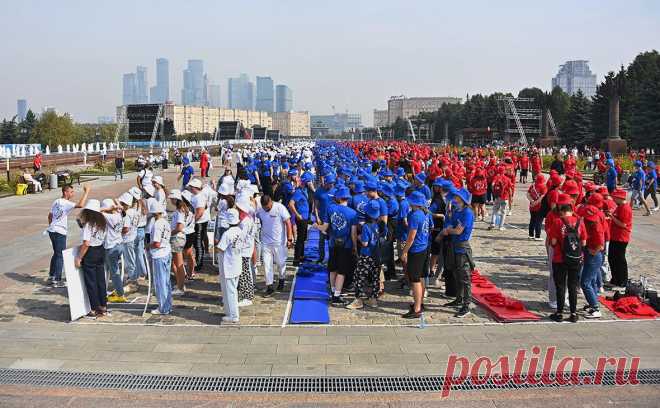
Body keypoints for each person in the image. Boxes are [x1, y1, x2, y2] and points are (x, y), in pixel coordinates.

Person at [548, 194, 587, 323]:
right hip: (576, 259)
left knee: (560, 286)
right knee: (572, 286)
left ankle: (559, 313)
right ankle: (573, 313)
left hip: (560, 258)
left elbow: (553, 242)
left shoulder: (558, 222)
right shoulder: (580, 222)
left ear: (561, 211)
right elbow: (584, 243)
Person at [319, 187, 358, 306]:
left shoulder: (331, 208)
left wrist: (316, 226)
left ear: (338, 198)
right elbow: (353, 233)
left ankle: (332, 291)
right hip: (346, 245)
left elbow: (325, 227)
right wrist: (355, 247)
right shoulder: (352, 213)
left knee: (332, 268)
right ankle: (337, 295)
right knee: (342, 271)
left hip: (332, 243)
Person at [46, 184, 90, 287]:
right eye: (71, 192)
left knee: (56, 253)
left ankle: (51, 276)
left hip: (52, 230)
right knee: (60, 254)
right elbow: (81, 205)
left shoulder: (56, 201)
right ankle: (57, 279)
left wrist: (52, 226)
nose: (72, 194)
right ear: (65, 192)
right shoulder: (65, 203)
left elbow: (50, 216)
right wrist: (86, 192)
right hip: (60, 231)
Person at [441, 188, 475, 318]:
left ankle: (466, 305)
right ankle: (459, 298)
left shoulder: (467, 212)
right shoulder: (456, 210)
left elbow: (459, 230)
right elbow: (450, 222)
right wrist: (449, 226)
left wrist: (449, 231)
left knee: (465, 277)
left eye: (457, 196)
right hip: (454, 245)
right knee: (456, 273)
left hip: (462, 246)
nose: (454, 198)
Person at [74, 199, 108, 318]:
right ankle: (103, 306)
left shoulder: (89, 224)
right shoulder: (102, 222)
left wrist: (79, 257)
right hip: (100, 250)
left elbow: (86, 243)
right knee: (100, 280)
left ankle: (94, 308)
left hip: (91, 252)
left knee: (91, 282)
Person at [401, 191, 431, 319]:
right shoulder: (425, 213)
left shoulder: (414, 215)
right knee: (422, 277)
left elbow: (411, 237)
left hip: (416, 249)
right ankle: (420, 303)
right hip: (424, 247)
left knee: (415, 279)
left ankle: (417, 308)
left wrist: (404, 251)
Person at [256, 194, 293, 296]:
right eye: (264, 208)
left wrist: (289, 239)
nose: (266, 209)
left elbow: (288, 223)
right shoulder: (260, 209)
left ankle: (281, 278)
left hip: (279, 242)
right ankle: (270, 286)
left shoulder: (280, 208)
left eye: (268, 207)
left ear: (271, 202)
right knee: (267, 265)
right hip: (265, 242)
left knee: (280, 263)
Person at [348, 200, 380, 309]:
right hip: (376, 255)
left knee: (359, 277)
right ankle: (373, 300)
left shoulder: (366, 226)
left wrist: (359, 237)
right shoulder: (379, 224)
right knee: (374, 278)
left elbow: (365, 243)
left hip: (366, 255)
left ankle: (358, 300)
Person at [578, 204, 605, 319]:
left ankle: (595, 308)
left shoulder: (596, 227)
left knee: (585, 282)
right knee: (591, 282)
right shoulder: (588, 223)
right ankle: (593, 303)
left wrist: (592, 251)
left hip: (594, 256)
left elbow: (601, 245)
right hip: (591, 255)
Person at [217, 208, 242, 324]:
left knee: (231, 291)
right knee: (232, 290)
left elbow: (220, 248)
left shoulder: (227, 234)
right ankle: (230, 312)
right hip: (237, 263)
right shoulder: (240, 231)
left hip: (229, 265)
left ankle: (234, 315)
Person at [148, 200, 172, 315]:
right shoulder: (165, 222)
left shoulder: (157, 224)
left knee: (160, 282)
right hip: (166, 252)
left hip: (159, 254)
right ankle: (167, 305)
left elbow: (156, 243)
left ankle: (163, 307)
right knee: (166, 281)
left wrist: (147, 246)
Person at [606, 189, 632, 288]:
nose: (613, 199)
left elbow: (623, 224)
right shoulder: (620, 206)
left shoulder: (625, 208)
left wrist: (611, 217)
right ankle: (615, 279)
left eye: (615, 197)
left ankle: (622, 281)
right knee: (612, 259)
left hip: (621, 238)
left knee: (619, 260)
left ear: (620, 198)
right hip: (615, 236)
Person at [102, 199, 126, 303]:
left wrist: (108, 208)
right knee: (112, 269)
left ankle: (120, 294)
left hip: (111, 247)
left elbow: (95, 211)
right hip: (120, 244)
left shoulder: (109, 216)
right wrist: (116, 205)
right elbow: (121, 208)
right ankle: (109, 289)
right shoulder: (119, 214)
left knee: (114, 272)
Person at [235, 195, 257, 306]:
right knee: (245, 272)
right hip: (246, 248)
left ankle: (246, 296)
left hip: (244, 250)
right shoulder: (247, 219)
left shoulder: (245, 222)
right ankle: (246, 295)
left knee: (244, 273)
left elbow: (240, 238)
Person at [168, 189, 191, 296]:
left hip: (177, 238)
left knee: (178, 264)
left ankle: (180, 287)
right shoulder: (182, 210)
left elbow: (179, 227)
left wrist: (169, 233)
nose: (170, 201)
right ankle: (179, 284)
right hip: (179, 237)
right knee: (176, 264)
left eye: (171, 199)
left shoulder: (179, 211)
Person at [117, 193, 138, 294]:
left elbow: (125, 229)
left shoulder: (127, 213)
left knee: (129, 261)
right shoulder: (133, 211)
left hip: (127, 239)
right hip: (131, 237)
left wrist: (116, 232)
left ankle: (133, 282)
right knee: (130, 260)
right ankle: (132, 280)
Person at [289, 173, 312, 266]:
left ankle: (301, 256)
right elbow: (291, 204)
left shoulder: (305, 190)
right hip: (301, 218)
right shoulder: (298, 192)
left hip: (305, 218)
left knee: (303, 238)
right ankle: (296, 259)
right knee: (300, 239)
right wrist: (297, 214)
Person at [188, 178, 210, 272]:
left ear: (195, 187)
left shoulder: (199, 197)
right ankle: (198, 260)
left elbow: (200, 212)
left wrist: (192, 222)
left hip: (200, 222)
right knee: (197, 243)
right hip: (199, 221)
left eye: (191, 187)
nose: (190, 188)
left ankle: (199, 263)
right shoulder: (196, 195)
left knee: (198, 243)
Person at [527, 174, 547, 241]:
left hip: (532, 206)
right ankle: (537, 236)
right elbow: (542, 197)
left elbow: (528, 194)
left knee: (532, 220)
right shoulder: (544, 187)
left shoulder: (532, 186)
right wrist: (535, 203)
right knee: (539, 221)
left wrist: (532, 201)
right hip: (539, 207)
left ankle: (531, 235)